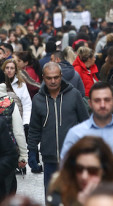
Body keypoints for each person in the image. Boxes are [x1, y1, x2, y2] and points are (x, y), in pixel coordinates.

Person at [27, 62, 89, 193]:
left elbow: (86, 124)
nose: (53, 81)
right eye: (49, 78)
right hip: (49, 159)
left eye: (56, 77)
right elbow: (34, 128)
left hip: (72, 159)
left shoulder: (74, 95)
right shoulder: (38, 99)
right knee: (52, 197)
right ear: (43, 77)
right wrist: (31, 151)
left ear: (61, 76)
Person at [47, 136, 113, 206]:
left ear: (104, 170)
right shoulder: (60, 186)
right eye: (79, 169)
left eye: (92, 171)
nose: (84, 176)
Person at [0, 68, 27, 195]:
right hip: (7, 152)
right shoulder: (9, 102)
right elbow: (18, 131)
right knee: (7, 190)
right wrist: (23, 156)